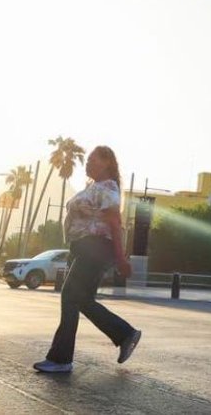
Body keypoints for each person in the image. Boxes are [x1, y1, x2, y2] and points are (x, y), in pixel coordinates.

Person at [34, 145, 140, 374]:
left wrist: (121, 259)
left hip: (96, 248)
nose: (88, 163)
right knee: (81, 300)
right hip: (85, 249)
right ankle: (124, 334)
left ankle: (61, 359)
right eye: (88, 159)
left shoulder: (108, 187)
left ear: (107, 163)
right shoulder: (94, 187)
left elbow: (115, 223)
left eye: (94, 159)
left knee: (71, 296)